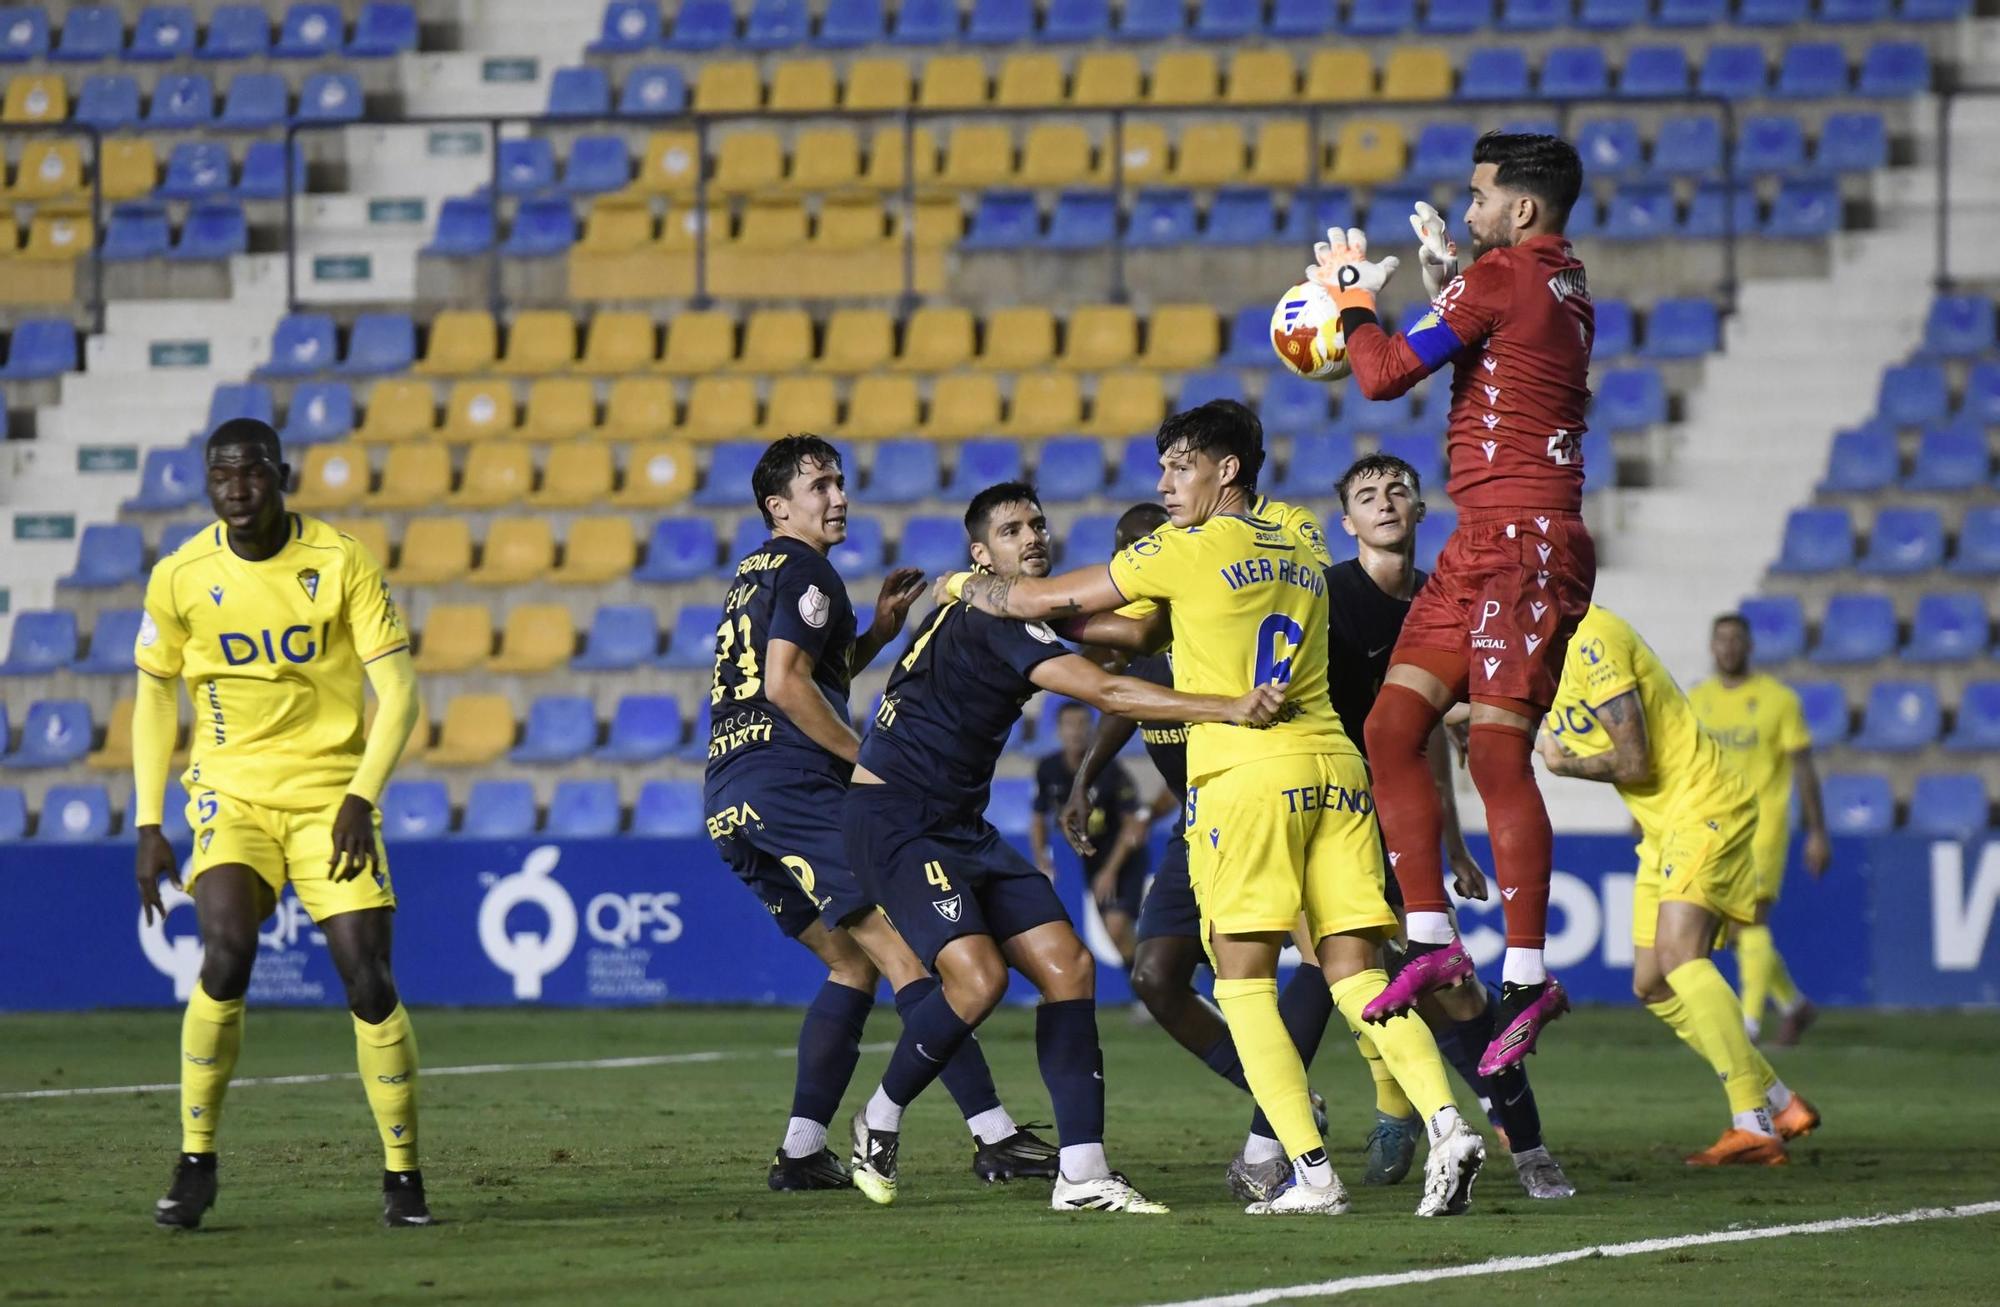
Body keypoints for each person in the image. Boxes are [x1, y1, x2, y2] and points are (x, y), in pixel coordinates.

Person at [948, 403, 1485, 1218]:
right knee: (1357, 966)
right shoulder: (1302, 534)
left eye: (1180, 466)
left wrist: (966, 583)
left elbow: (1039, 600)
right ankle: (1448, 1123)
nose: (1165, 483)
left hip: (1245, 774)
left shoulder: (1183, 550)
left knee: (1241, 981)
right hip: (1336, 768)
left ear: (1226, 471)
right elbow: (1148, 624)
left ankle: (1311, 1173)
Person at [844, 482, 1285, 1214]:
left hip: (957, 821)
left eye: (1039, 524)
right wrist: (1228, 706)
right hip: (891, 817)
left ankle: (1081, 1173)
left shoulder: (1019, 613)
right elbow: (1111, 691)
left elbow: (1138, 637)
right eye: (1012, 529)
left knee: (1070, 965)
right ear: (981, 554)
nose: (1034, 536)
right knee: (979, 980)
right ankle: (879, 1116)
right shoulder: (994, 618)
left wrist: (1200, 592)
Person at [1310, 131, 1597, 1075]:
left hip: (1523, 544)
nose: (1465, 212)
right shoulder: (1552, 277)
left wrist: (1352, 297)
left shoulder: (1505, 278)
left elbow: (1383, 373)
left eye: (1478, 200)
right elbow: (1499, 335)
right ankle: (1432, 936)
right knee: (1394, 727)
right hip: (1480, 542)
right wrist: (1456, 277)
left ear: (1521, 209)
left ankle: (1526, 978)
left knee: (1498, 747)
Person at [703, 436, 1055, 1193]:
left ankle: (801, 1151)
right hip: (794, 785)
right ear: (778, 506)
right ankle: (992, 1133)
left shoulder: (752, 573)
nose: (839, 497)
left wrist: (875, 639)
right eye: (820, 485)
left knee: (850, 961)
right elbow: (786, 685)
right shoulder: (808, 570)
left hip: (731, 794)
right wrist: (865, 761)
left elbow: (798, 674)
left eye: (840, 481)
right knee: (915, 958)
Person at [133, 418, 428, 1229]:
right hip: (230, 794)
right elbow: (155, 693)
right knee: (226, 948)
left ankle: (402, 1175)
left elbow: (399, 694)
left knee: (369, 977)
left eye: (252, 472)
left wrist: (360, 797)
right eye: (221, 475)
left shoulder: (339, 561)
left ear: (282, 475)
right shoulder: (181, 574)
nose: (236, 487)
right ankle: (196, 1161)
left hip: (332, 795)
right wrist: (148, 819)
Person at [1058, 502, 1339, 1204]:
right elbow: (1129, 699)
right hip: (1198, 822)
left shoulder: (1215, 610)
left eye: (1146, 545)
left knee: (1317, 960)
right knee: (1156, 975)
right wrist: (1085, 776)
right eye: (1126, 551)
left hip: (1259, 800)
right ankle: (1285, 1098)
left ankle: (1284, 1140)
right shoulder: (1149, 630)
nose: (1136, 562)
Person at [1320, 454, 1572, 1201]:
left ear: (1423, 507)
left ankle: (1528, 1149)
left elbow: (1427, 736)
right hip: (1328, 808)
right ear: (1349, 521)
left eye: (1398, 489)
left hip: (1401, 821)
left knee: (1455, 992)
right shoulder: (1329, 597)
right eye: (1367, 494)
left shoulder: (1450, 604)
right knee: (1321, 970)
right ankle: (1319, 1132)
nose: (1386, 502)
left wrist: (1454, 843)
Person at [1540, 604, 1821, 1165]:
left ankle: (1752, 1122)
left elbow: (1636, 759)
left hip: (1704, 806)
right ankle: (1780, 1101)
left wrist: (1562, 764)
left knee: (1679, 956)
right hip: (1664, 825)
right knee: (1653, 984)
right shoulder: (1531, 651)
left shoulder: (1592, 638)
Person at [1688, 613, 1831, 1045]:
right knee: (1731, 931)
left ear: (1750, 646)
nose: (1729, 647)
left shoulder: (1778, 700)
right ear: (1712, 647)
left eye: (1736, 639)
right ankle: (1794, 1005)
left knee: (1750, 922)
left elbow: (1802, 766)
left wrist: (1817, 831)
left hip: (1763, 825)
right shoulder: (1697, 700)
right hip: (1713, 826)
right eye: (1721, 639)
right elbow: (1685, 762)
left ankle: (1748, 1026)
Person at [1032, 700, 1149, 969]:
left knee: (1117, 925)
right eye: (1070, 725)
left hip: (1123, 858)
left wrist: (1110, 870)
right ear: (1058, 730)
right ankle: (1152, 979)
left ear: (1093, 730)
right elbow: (1038, 817)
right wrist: (1042, 859)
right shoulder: (1047, 770)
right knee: (1114, 933)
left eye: (1083, 724)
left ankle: (1151, 987)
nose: (1076, 731)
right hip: (1091, 860)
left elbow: (1132, 824)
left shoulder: (1110, 770)